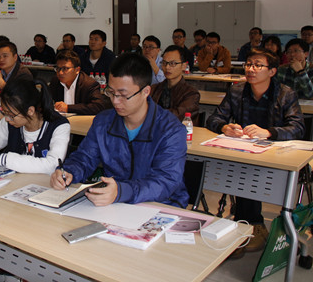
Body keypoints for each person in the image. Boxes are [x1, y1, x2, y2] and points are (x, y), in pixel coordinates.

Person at [50, 53, 189, 207]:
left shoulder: (170, 130)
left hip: (160, 205)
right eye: (111, 92)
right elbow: (84, 158)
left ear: (145, 92)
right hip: (115, 202)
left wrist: (122, 191)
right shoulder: (103, 122)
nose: (115, 101)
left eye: (123, 95)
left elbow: (165, 182)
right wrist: (68, 172)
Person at [206, 48, 304, 258]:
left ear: (272, 71)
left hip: (275, 156)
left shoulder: (285, 94)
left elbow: (297, 128)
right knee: (241, 167)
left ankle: (251, 224)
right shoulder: (237, 91)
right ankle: (247, 224)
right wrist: (225, 127)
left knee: (249, 172)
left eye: (258, 65)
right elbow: (214, 118)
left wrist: (269, 132)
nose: (251, 69)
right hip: (244, 151)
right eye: (248, 64)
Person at [0, 79, 70, 174]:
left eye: (11, 115)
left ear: (30, 111)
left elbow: (52, 165)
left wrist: (3, 159)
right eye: (4, 113)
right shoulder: (10, 121)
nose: (6, 119)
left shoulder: (59, 125)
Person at [48, 50, 110, 115]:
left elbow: (98, 107)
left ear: (77, 70)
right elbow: (45, 101)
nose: (60, 73)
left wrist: (68, 108)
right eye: (58, 68)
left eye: (65, 68)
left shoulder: (88, 84)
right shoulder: (56, 81)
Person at [150, 45, 200, 122]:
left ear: (184, 66)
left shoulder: (191, 94)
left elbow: (177, 116)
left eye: (172, 63)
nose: (167, 67)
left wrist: (150, 114)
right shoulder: (154, 89)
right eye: (164, 63)